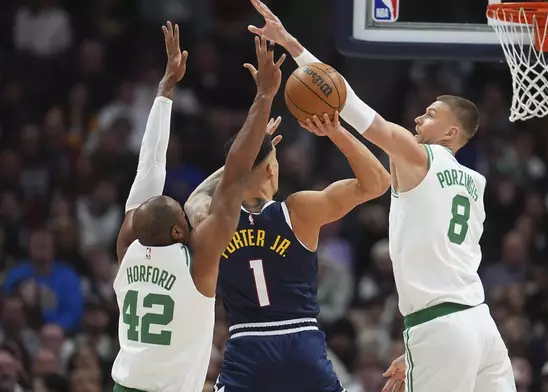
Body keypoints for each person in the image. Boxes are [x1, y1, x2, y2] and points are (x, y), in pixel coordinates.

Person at [247, 1, 515, 391]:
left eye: (431, 112)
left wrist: (291, 44)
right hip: (480, 323)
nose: (419, 118)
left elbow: (347, 101)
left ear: (451, 133)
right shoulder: (475, 181)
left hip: (441, 326)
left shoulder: (419, 156)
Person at [110, 22, 285, 392]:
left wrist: (165, 88)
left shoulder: (128, 245)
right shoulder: (197, 262)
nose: (191, 218)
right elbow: (235, 179)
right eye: (185, 218)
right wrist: (264, 96)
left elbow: (150, 167)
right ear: (178, 232)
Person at [184, 116, 389, 390]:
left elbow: (191, 200)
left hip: (247, 346)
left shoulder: (211, 218)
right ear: (271, 170)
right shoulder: (298, 211)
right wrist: (336, 131)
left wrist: (239, 160)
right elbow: (378, 182)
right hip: (300, 342)